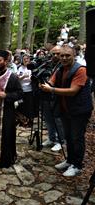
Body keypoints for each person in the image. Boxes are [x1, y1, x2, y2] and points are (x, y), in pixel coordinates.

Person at [39, 46, 93, 177]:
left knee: (77, 137)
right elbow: (51, 82)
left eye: (67, 55)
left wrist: (51, 90)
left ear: (74, 55)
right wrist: (42, 83)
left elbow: (73, 91)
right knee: (68, 136)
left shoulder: (81, 70)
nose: (63, 58)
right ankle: (70, 160)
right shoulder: (60, 69)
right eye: (62, 56)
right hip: (65, 109)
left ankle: (77, 165)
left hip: (79, 111)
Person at [41, 46, 65, 152]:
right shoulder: (47, 64)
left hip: (58, 96)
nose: (55, 56)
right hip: (46, 95)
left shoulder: (64, 66)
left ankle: (61, 141)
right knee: (48, 119)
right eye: (53, 54)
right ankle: (51, 138)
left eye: (58, 53)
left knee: (58, 120)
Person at [17, 54, 34, 125]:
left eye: (27, 59)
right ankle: (22, 121)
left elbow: (32, 78)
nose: (26, 60)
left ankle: (30, 121)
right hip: (21, 90)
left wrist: (25, 77)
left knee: (29, 106)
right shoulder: (20, 68)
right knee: (21, 105)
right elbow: (18, 78)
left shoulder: (31, 67)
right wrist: (24, 76)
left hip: (29, 90)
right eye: (24, 59)